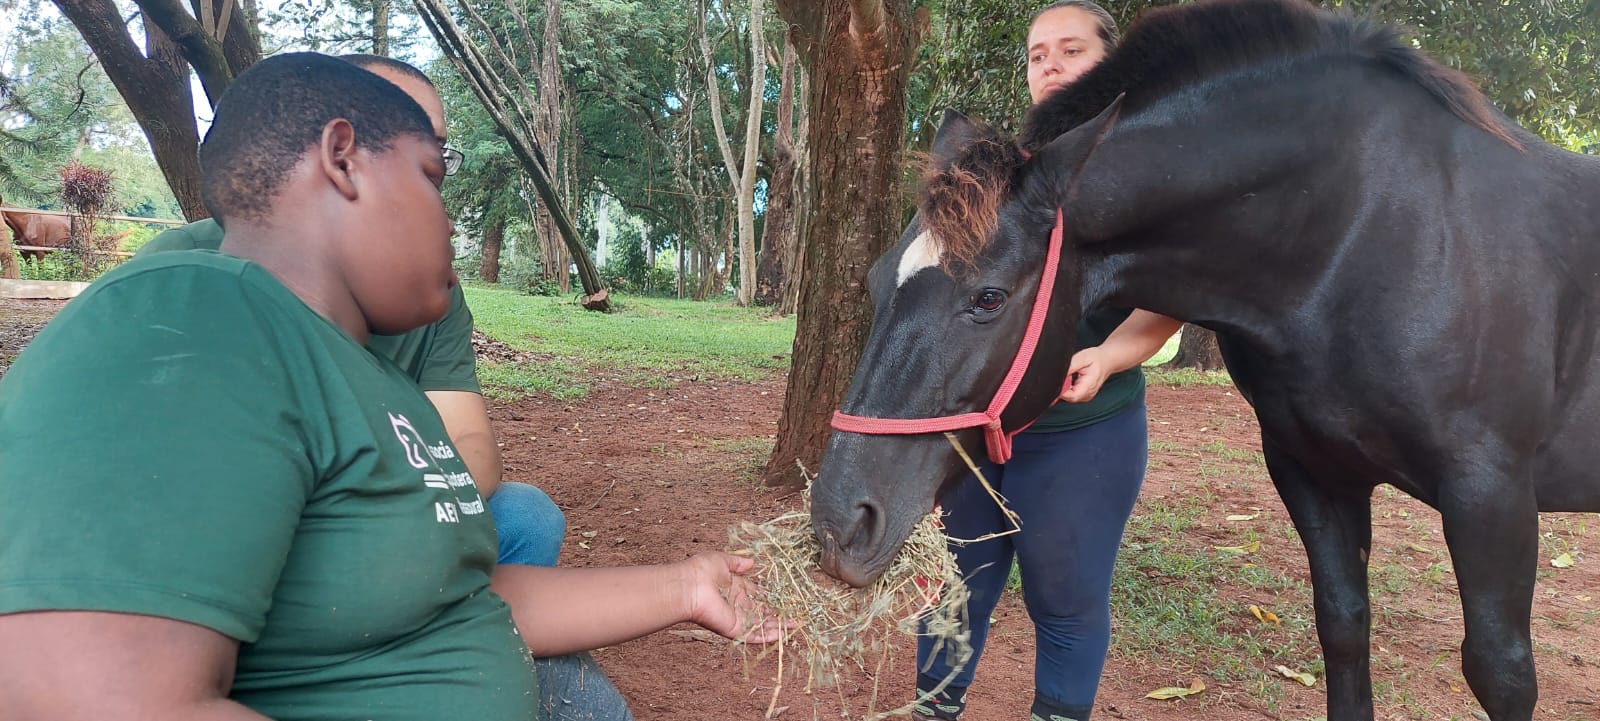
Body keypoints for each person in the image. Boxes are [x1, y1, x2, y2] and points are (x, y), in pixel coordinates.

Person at [0, 52, 781, 721]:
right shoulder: (192, 321)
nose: (450, 221)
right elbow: (86, 695)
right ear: (342, 158)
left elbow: (455, 597)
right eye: (431, 176)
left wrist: (686, 586)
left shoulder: (366, 374)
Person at [135, 54, 567, 572]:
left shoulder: (433, 293)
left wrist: (393, 515)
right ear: (339, 156)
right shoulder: (182, 273)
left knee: (525, 517)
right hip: (240, 527)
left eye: (440, 159)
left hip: (394, 508)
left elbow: (468, 438)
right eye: (422, 159)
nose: (443, 203)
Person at [912, 4, 1184, 721]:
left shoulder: (1149, 181)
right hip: (978, 433)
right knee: (954, 588)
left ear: (1111, 63)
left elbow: (1170, 304)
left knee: (1065, 599)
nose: (1051, 65)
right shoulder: (1001, 177)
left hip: (1083, 433)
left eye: (1071, 50)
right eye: (1038, 55)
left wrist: (1109, 355)